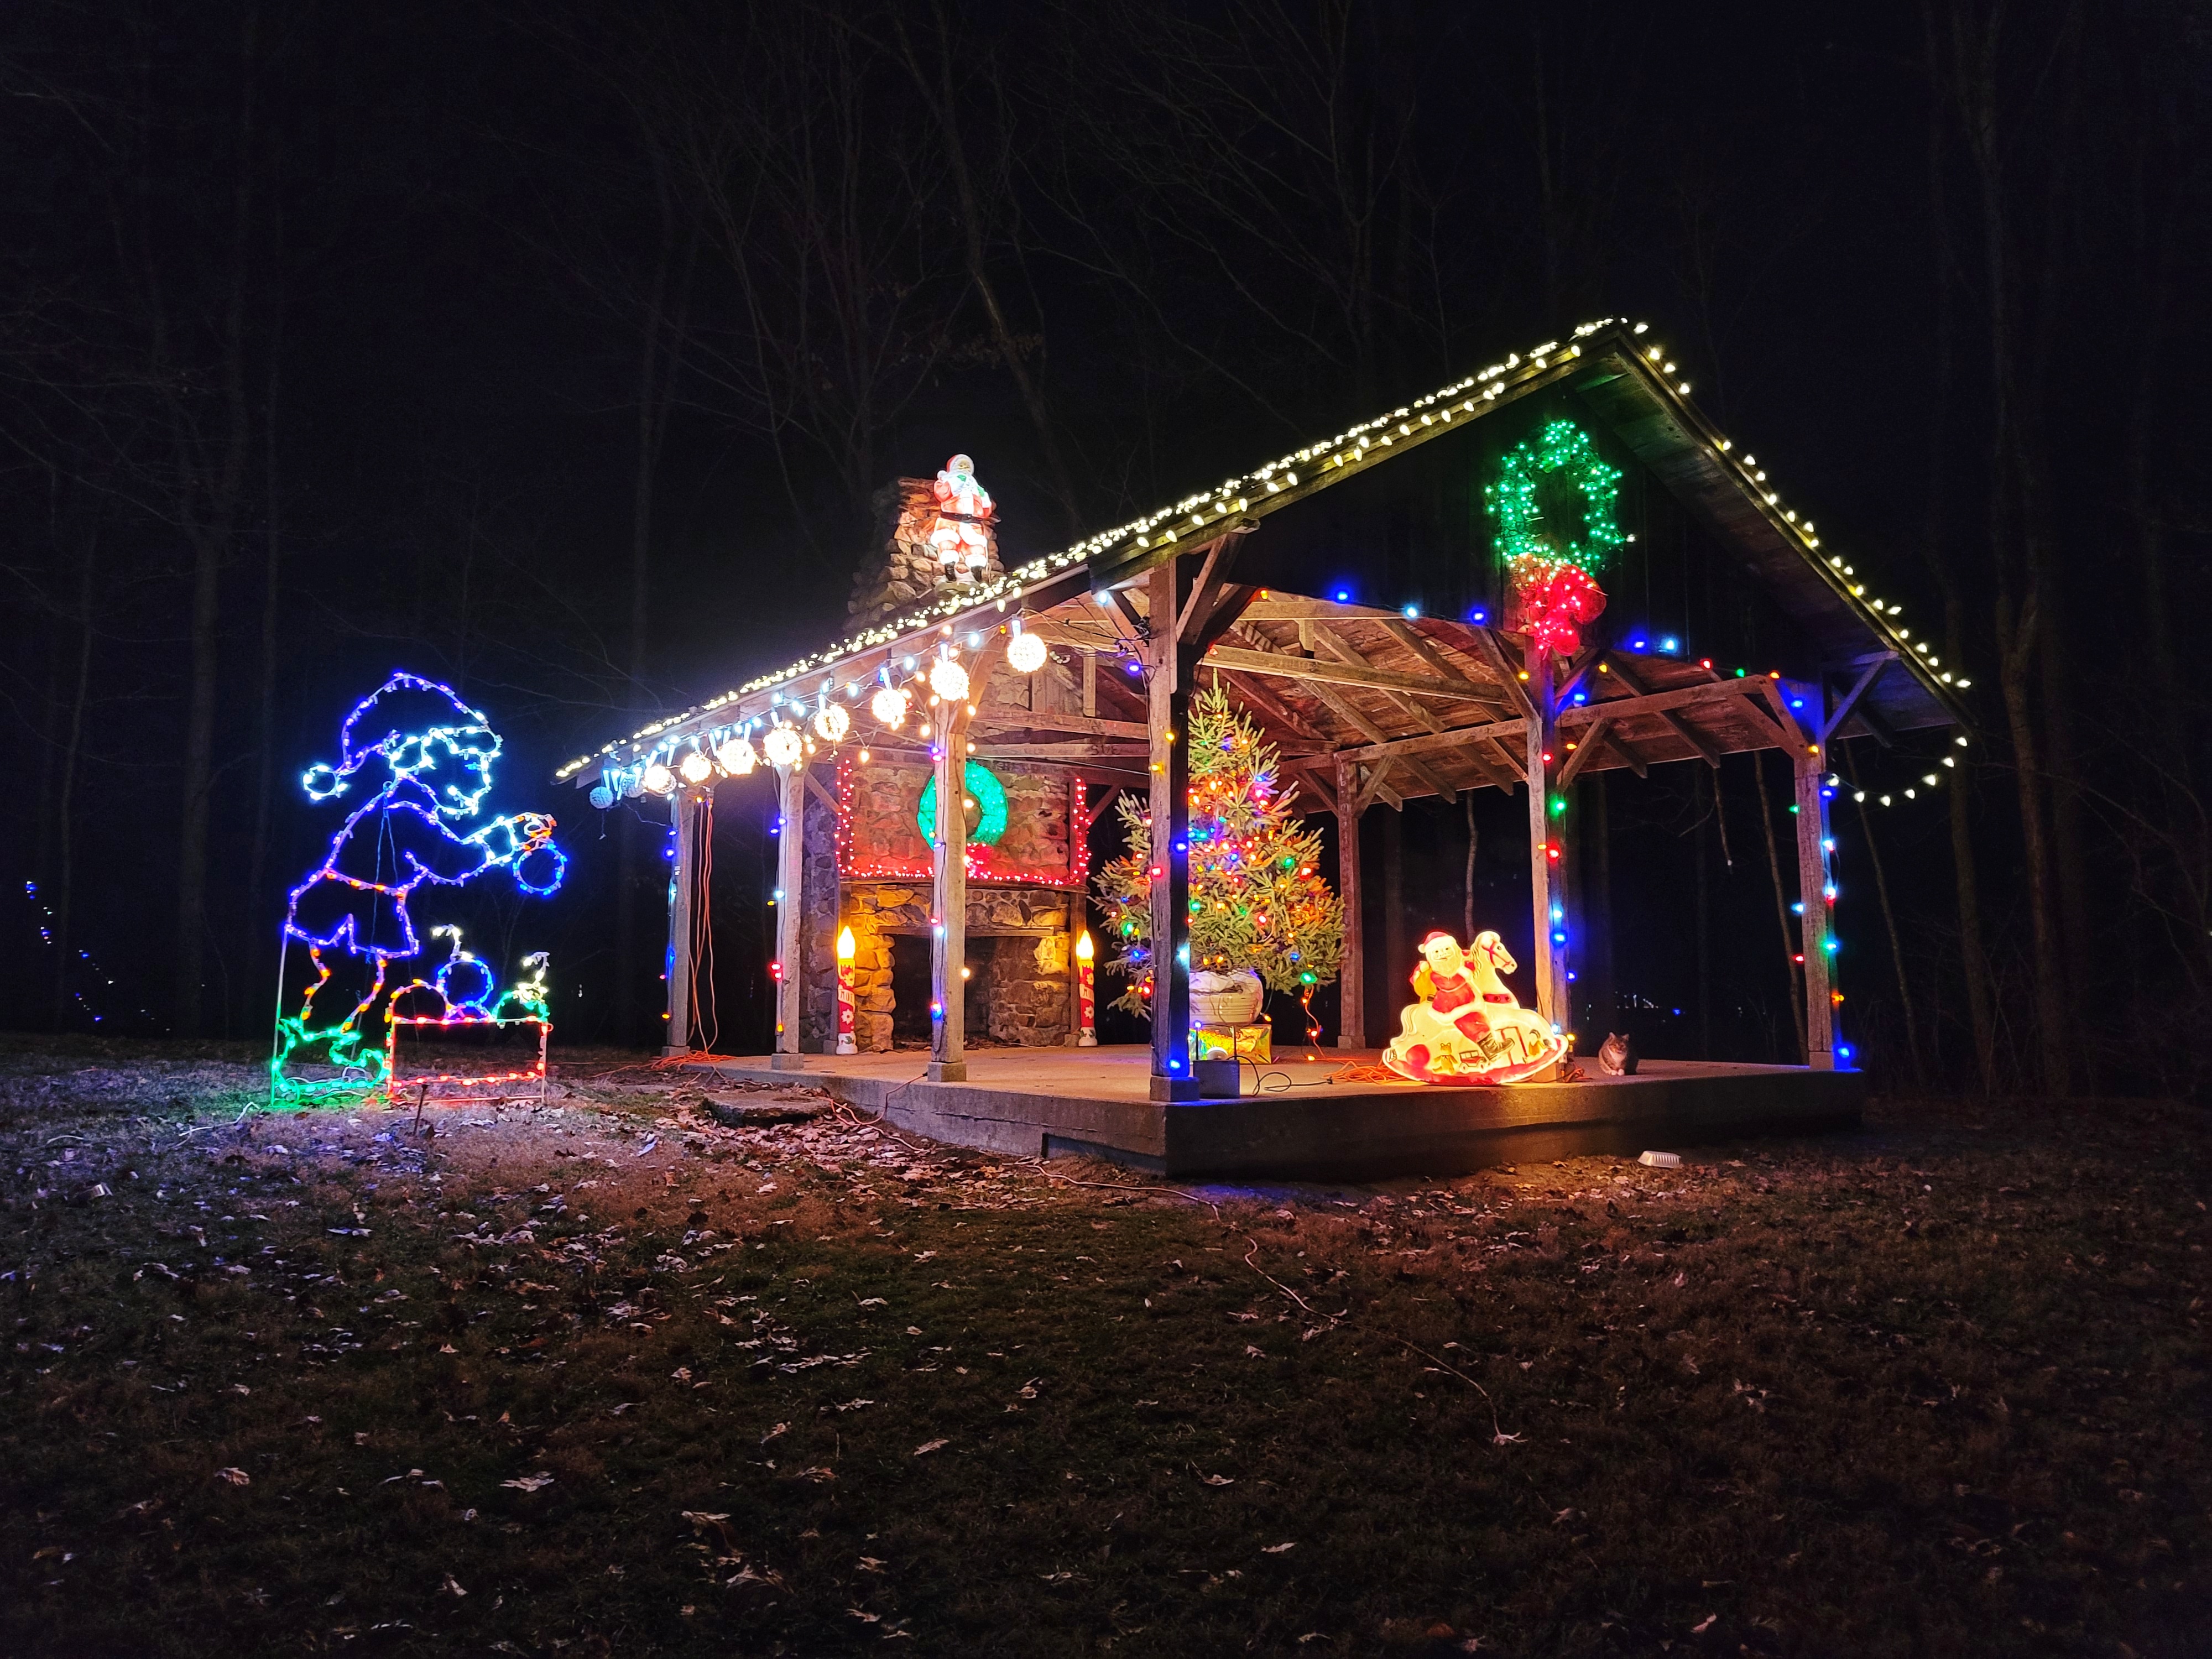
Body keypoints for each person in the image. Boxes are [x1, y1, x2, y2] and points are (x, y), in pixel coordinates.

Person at [274, 673, 563, 1095]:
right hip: (349, 904)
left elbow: (451, 855)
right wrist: (508, 836)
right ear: (426, 754)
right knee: (348, 978)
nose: (482, 781)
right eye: (471, 765)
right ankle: (316, 1055)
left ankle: (332, 1051)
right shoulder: (405, 810)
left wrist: (509, 839)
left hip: (365, 902)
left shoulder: (413, 808)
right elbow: (452, 861)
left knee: (358, 978)